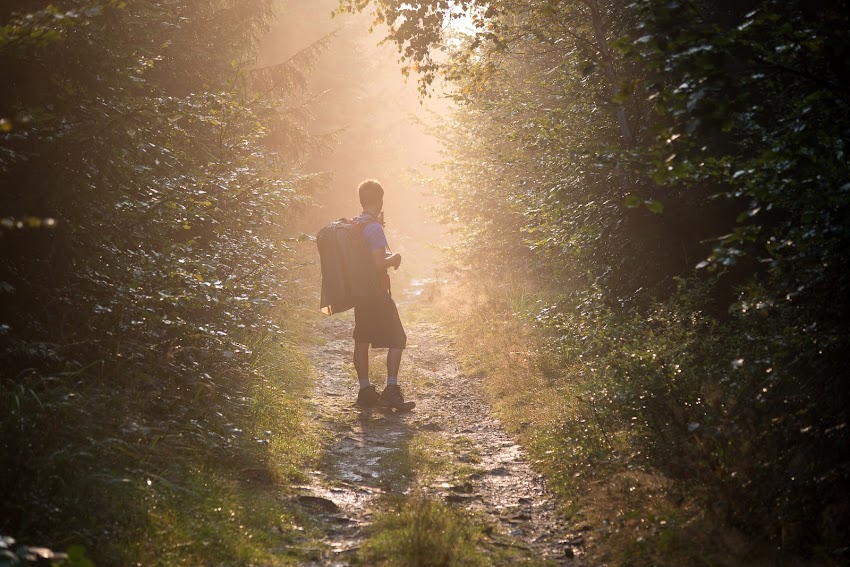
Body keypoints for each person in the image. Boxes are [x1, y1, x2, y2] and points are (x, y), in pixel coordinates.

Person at [351, 179, 415, 411]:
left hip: (360, 293)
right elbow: (378, 265)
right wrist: (394, 258)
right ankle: (391, 390)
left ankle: (365, 391)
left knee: (362, 340)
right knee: (398, 338)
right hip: (376, 293)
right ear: (379, 200)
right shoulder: (374, 228)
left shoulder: (355, 224)